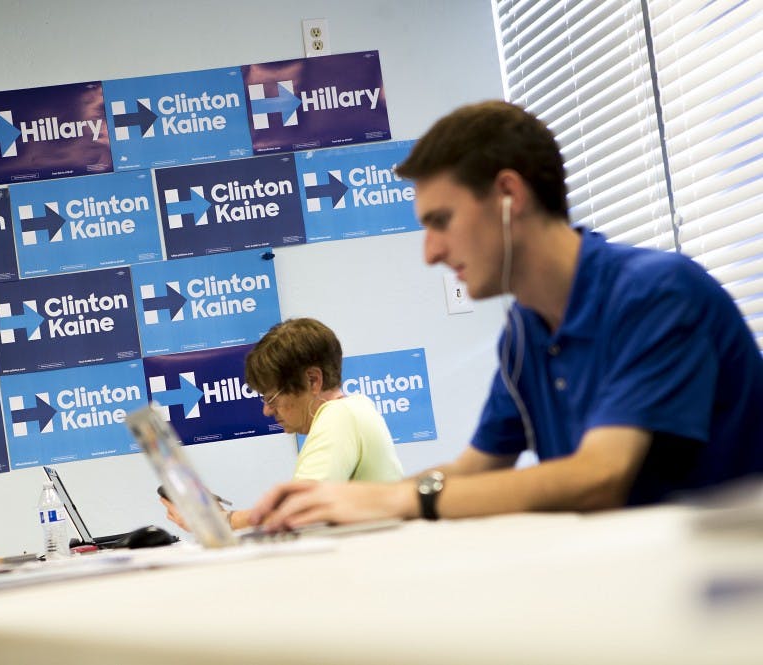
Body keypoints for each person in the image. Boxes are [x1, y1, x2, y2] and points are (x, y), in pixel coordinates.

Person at [249, 100, 763, 530]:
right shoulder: (523, 332)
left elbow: (600, 475)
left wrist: (403, 500)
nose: (430, 253)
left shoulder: (657, 293)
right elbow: (475, 468)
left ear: (508, 197)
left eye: (441, 221)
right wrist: (335, 505)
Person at [161, 317, 404, 530]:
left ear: (312, 380)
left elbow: (296, 513)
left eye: (272, 398)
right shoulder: (356, 408)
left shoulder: (339, 416)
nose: (267, 411)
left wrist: (218, 520)